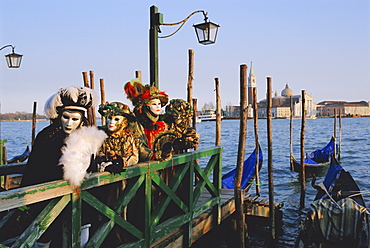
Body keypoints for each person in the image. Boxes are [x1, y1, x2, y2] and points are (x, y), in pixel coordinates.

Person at [20, 86, 98, 248]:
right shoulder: (47, 136)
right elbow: (35, 169)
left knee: (82, 226)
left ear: (81, 120)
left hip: (78, 198)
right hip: (48, 197)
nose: (69, 123)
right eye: (66, 117)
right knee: (44, 234)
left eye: (75, 119)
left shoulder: (87, 137)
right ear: (59, 116)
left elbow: (93, 165)